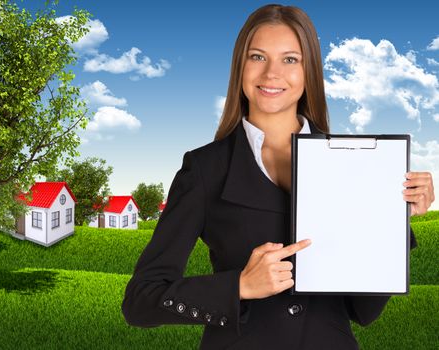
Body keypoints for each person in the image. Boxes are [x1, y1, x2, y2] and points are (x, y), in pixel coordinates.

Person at [121, 4, 435, 349]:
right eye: (258, 57)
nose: (272, 73)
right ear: (240, 66)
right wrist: (239, 286)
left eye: (290, 59)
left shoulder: (356, 166)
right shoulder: (205, 169)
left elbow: (362, 310)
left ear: (309, 71)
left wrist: (392, 220)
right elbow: (140, 301)